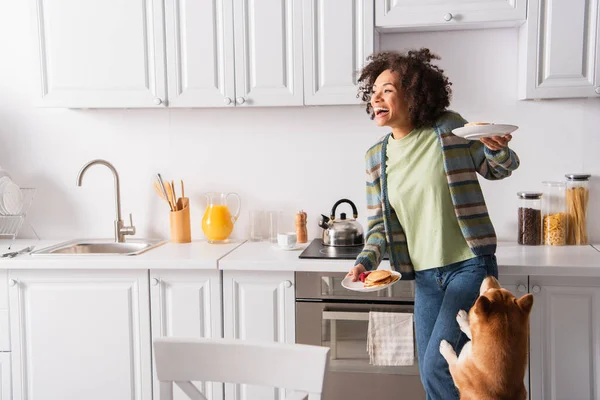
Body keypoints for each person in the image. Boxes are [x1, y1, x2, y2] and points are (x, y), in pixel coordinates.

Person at [346, 49, 520, 399]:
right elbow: (379, 225)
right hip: (426, 278)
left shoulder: (449, 128)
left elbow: (498, 168)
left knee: (438, 366)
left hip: (470, 266)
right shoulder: (374, 159)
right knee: (432, 376)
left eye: (388, 90)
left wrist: (496, 148)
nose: (376, 98)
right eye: (374, 91)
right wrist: (364, 265)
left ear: (412, 93)